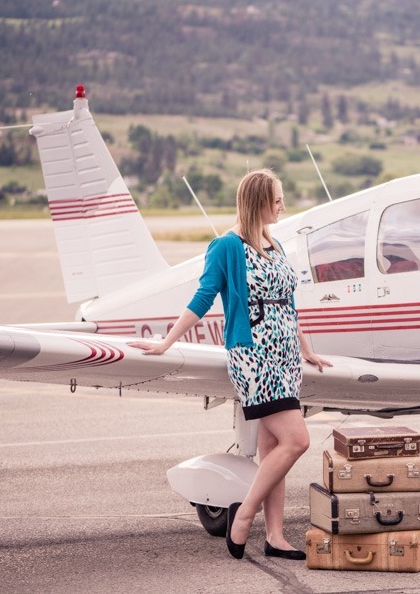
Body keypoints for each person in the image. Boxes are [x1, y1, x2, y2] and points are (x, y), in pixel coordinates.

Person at [128, 169, 331, 561]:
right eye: (277, 200)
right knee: (297, 441)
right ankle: (244, 519)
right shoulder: (226, 246)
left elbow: (288, 305)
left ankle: (275, 537)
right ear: (258, 202)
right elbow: (204, 297)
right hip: (254, 356)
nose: (283, 206)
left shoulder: (275, 244)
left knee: (273, 448)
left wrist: (306, 349)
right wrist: (166, 342)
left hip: (286, 356)